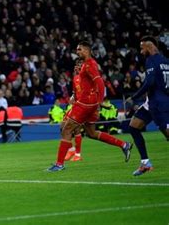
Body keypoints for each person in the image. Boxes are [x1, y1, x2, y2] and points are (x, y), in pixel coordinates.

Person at [48, 41, 133, 172]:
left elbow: (99, 82)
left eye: (79, 49)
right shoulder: (85, 66)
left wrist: (99, 101)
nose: (77, 52)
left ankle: (59, 164)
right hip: (89, 103)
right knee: (91, 133)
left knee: (66, 129)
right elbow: (86, 84)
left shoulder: (90, 65)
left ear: (87, 50)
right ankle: (124, 145)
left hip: (86, 104)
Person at [125, 36, 169, 176]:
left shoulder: (151, 60)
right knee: (133, 127)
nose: (141, 50)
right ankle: (145, 162)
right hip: (153, 102)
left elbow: (149, 83)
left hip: (158, 104)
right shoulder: (166, 61)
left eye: (142, 47)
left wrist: (134, 97)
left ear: (149, 47)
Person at [64, 60, 84, 162]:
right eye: (76, 65)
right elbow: (75, 92)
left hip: (84, 107)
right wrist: (72, 97)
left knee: (76, 129)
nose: (77, 67)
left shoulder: (87, 78)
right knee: (63, 126)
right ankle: (72, 150)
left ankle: (77, 154)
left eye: (80, 65)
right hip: (76, 106)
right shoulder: (75, 78)